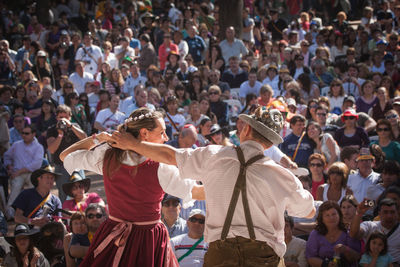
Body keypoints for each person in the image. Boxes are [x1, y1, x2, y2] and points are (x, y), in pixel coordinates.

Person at [111, 106, 315, 266]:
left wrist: (133, 144)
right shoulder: (280, 175)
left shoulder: (214, 155)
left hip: (221, 254)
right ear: (270, 144)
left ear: (246, 129)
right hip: (264, 258)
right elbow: (308, 211)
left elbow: (169, 155)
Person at [60, 108, 204, 266]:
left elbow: (65, 156)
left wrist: (97, 139)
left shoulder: (107, 155)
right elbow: (196, 192)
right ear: (144, 133)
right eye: (162, 132)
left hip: (114, 234)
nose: (166, 137)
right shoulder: (160, 166)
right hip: (148, 239)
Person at [46, 105, 87, 202]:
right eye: (61, 117)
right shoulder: (52, 130)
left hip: (77, 165)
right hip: (61, 166)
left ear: (70, 117)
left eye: (66, 117)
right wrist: (60, 134)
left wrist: (71, 126)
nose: (63, 120)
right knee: (63, 194)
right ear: (56, 117)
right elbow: (51, 149)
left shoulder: (75, 126)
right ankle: (65, 216)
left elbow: (85, 138)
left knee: (81, 192)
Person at [4, 124, 44, 219]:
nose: (24, 135)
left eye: (27, 133)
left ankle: (33, 213)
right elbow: (7, 156)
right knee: (15, 189)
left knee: (34, 191)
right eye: (22, 133)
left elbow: (36, 164)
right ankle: (9, 214)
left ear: (33, 134)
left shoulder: (39, 147)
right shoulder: (16, 145)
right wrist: (9, 167)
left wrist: (19, 171)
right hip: (17, 173)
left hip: (32, 174)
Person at [306, 201, 361, 267]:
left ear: (339, 215)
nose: (331, 218)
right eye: (327, 215)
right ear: (322, 219)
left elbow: (357, 257)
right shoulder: (315, 234)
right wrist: (326, 264)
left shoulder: (347, 231)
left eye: (334, 214)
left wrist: (346, 249)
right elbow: (310, 258)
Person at [350, 198, 400, 265]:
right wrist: (359, 213)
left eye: (392, 212)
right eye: (385, 212)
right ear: (379, 213)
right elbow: (354, 234)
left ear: (397, 213)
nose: (389, 216)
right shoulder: (370, 226)